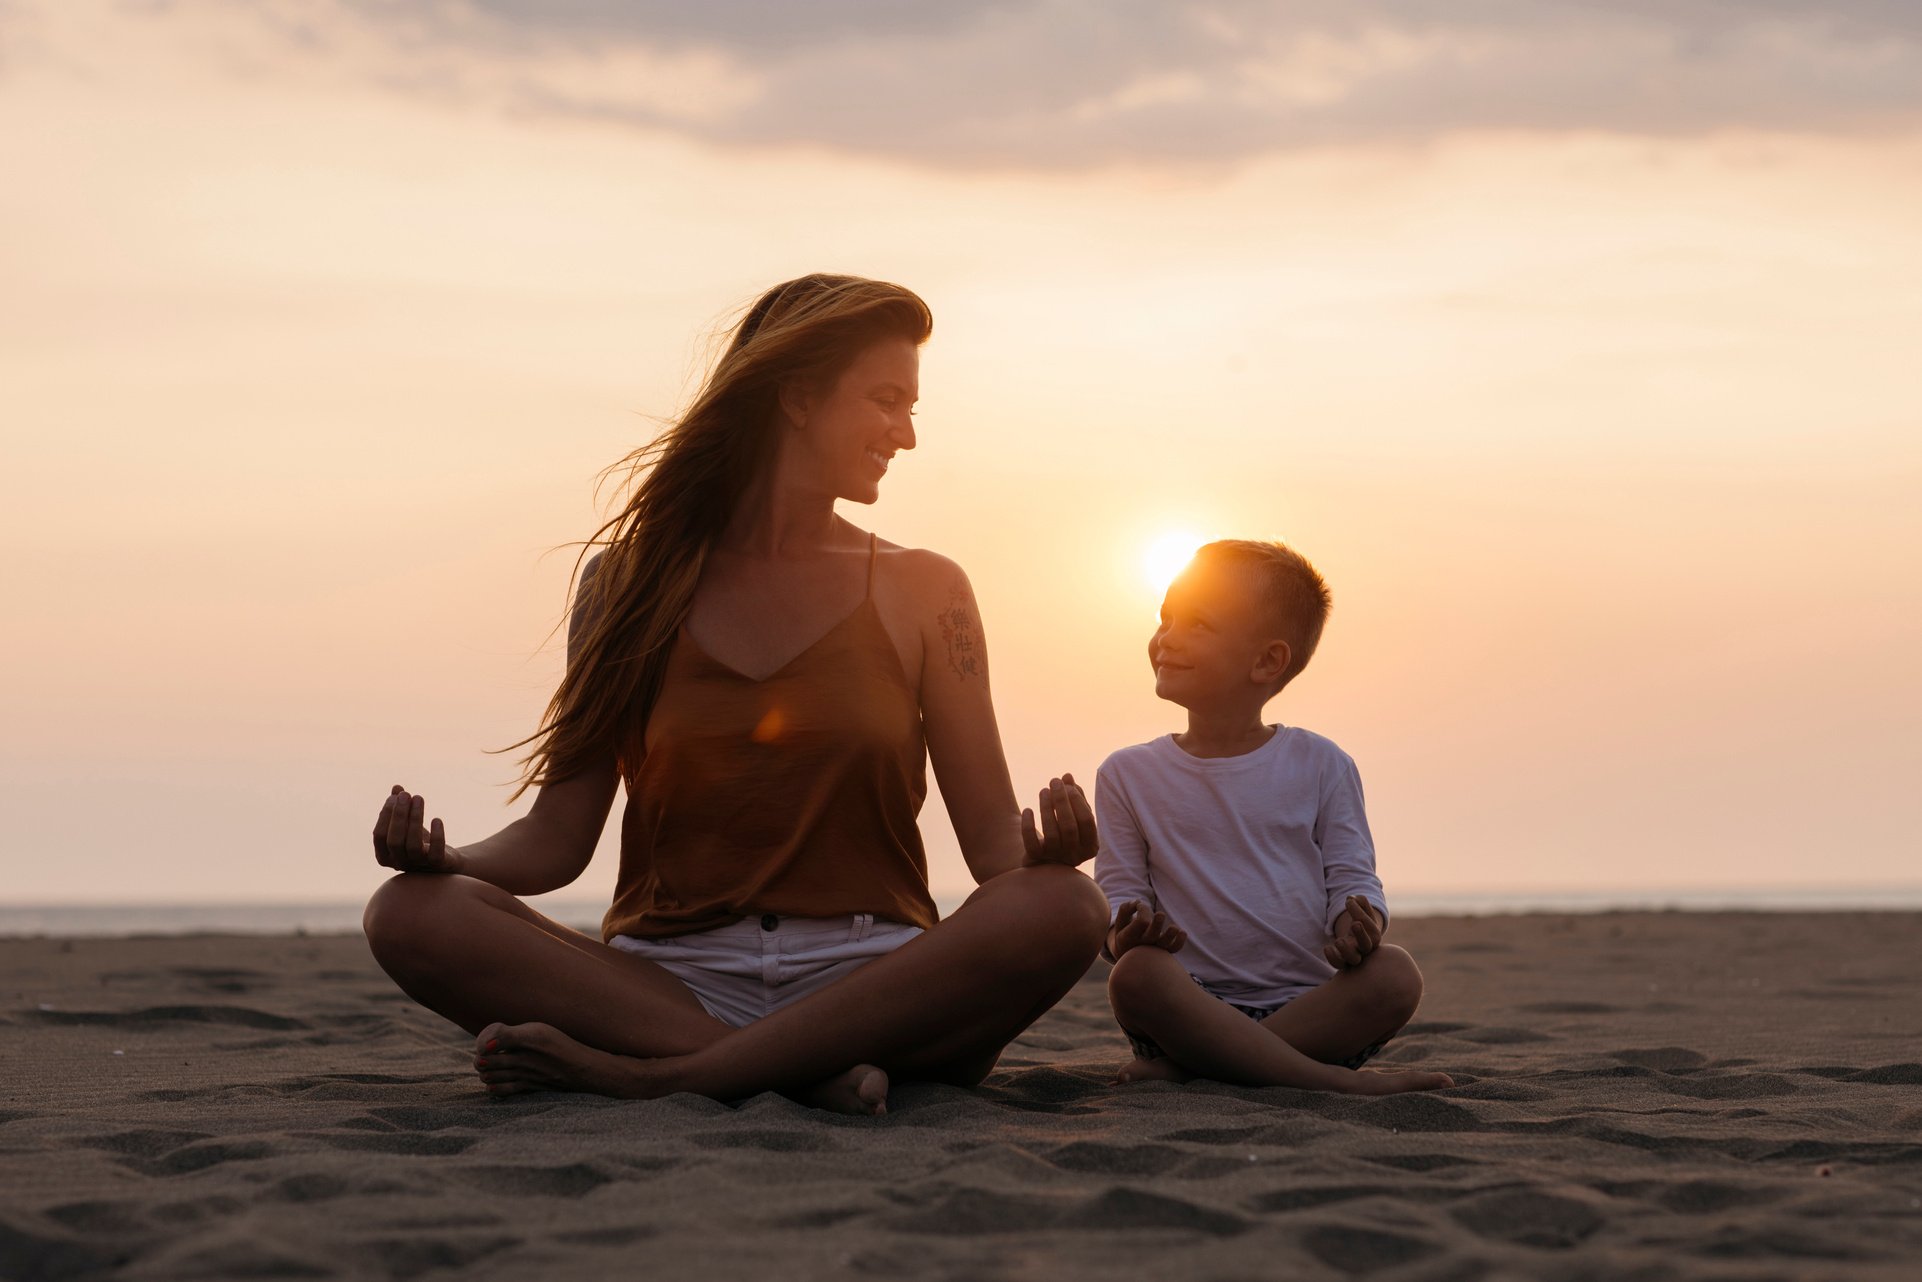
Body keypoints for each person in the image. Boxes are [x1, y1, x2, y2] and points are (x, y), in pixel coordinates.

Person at [362, 274, 1109, 1115]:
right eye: (886, 400)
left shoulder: (927, 588)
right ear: (797, 397)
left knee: (1062, 906)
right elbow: (557, 835)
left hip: (874, 980)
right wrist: (448, 862)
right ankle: (799, 1073)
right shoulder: (629, 583)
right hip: (668, 983)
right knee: (409, 914)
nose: (906, 434)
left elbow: (992, 853)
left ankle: (660, 1077)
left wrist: (1050, 853)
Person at [1093, 539, 1453, 1094]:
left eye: (1197, 624)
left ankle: (1206, 1070)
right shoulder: (1127, 773)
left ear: (1267, 661)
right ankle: (1327, 1083)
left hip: (1311, 1010)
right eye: (1164, 617)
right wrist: (1127, 932)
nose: (1166, 637)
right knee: (1136, 974)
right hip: (1187, 1009)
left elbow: (1352, 876)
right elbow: (1119, 891)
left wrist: (1358, 924)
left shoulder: (1321, 764)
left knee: (1395, 973)